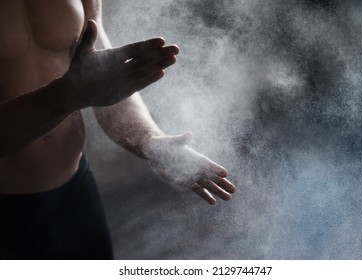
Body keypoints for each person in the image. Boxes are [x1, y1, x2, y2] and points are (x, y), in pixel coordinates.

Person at [0, 0, 236, 259]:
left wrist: (150, 140)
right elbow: (76, 91)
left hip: (74, 189)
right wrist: (66, 96)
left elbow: (102, 76)